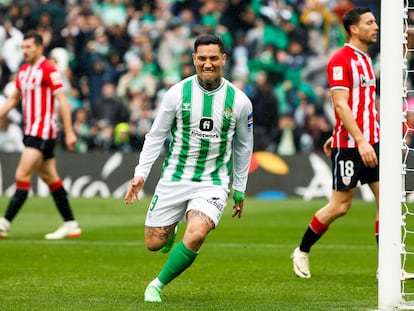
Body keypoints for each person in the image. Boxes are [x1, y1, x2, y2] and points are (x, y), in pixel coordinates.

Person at [124, 34, 253, 302]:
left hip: (213, 183)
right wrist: (141, 174)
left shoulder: (239, 101)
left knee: (196, 234)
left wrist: (239, 188)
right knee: (153, 243)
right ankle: (170, 231)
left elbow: (243, 147)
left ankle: (156, 285)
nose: (208, 64)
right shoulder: (176, 94)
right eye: (202, 58)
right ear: (194, 59)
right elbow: (156, 135)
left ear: (223, 59)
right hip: (174, 177)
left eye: (213, 58)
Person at [291, 7, 379, 278]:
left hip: (371, 140)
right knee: (341, 206)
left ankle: (385, 269)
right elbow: (340, 105)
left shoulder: (365, 60)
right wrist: (358, 139)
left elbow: (360, 104)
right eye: (370, 22)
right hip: (354, 145)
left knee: (387, 204)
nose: (376, 26)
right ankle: (302, 250)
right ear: (354, 28)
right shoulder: (341, 60)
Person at [0, 31, 81, 240]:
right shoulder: (24, 70)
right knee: (49, 176)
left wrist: (69, 131)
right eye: (23, 47)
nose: (25, 51)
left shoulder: (48, 68)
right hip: (30, 130)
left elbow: (62, 100)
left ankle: (4, 223)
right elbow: (13, 99)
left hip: (43, 129)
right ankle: (71, 223)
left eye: (29, 47)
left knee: (22, 174)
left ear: (39, 47)